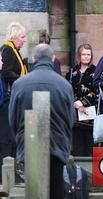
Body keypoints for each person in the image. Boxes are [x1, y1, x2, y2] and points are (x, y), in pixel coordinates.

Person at [8, 44, 75, 199]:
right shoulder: (65, 85)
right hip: (57, 145)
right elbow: (70, 119)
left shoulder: (19, 84)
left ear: (33, 59)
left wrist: (21, 138)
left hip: (29, 144)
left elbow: (13, 119)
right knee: (56, 188)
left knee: (33, 190)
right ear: (53, 59)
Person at [0, 22, 27, 181]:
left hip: (14, 98)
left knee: (13, 136)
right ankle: (8, 175)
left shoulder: (14, 50)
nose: (24, 40)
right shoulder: (8, 50)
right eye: (22, 37)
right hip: (8, 101)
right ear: (14, 37)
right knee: (7, 137)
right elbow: (6, 72)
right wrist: (24, 80)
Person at [66, 44, 96, 156]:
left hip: (89, 114)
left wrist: (83, 102)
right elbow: (67, 88)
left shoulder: (95, 71)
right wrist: (76, 103)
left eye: (88, 54)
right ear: (79, 55)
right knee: (76, 148)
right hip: (74, 114)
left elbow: (96, 90)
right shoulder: (72, 72)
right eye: (84, 54)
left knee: (89, 148)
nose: (86, 57)